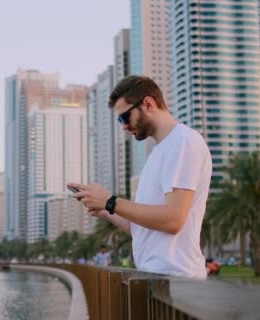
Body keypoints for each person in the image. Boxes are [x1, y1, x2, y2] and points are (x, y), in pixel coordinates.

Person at [68, 76, 212, 280]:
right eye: (120, 121)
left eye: (125, 117)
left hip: (178, 281)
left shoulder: (183, 141)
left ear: (148, 104)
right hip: (157, 279)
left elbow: (173, 220)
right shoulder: (157, 153)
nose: (124, 126)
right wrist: (106, 210)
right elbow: (142, 229)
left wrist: (110, 201)